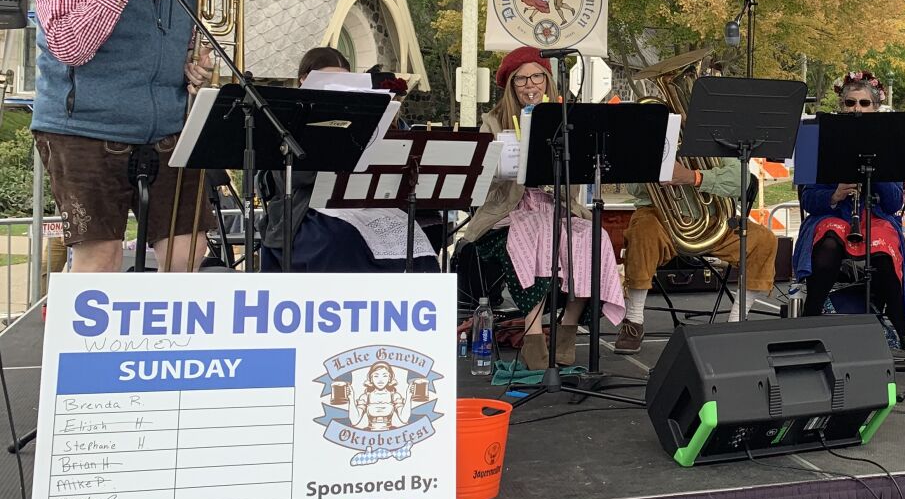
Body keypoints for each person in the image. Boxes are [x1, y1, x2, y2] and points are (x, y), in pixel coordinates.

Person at [31, 0, 215, 272]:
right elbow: (71, 46)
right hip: (85, 129)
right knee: (101, 257)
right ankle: (92, 341)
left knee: (188, 250)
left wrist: (192, 67)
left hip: (166, 128)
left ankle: (169, 339)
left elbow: (174, 46)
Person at [454, 46, 624, 371]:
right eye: (521, 79)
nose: (530, 84)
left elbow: (576, 186)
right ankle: (532, 334)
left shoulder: (564, 117)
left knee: (593, 236)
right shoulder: (492, 122)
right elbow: (482, 184)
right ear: (511, 86)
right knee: (538, 234)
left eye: (536, 77)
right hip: (509, 209)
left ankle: (568, 327)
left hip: (556, 206)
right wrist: (503, 166)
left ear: (547, 80)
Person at [613, 78, 780, 354]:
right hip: (661, 219)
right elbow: (632, 187)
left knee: (764, 241)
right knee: (642, 231)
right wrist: (651, 161)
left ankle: (736, 321)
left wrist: (692, 176)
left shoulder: (717, 135)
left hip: (712, 222)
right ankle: (634, 319)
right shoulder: (650, 132)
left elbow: (739, 181)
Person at [256, 47, 440, 273]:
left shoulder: (357, 118)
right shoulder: (284, 119)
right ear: (304, 80)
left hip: (357, 203)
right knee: (340, 239)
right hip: (305, 210)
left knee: (413, 237)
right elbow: (292, 177)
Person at [792, 71, 905, 348]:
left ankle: (904, 328)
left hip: (876, 218)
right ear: (842, 106)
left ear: (875, 107)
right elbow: (809, 200)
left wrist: (878, 171)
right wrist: (834, 194)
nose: (857, 109)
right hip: (833, 215)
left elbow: (894, 203)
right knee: (828, 244)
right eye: (850, 103)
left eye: (864, 104)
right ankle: (809, 321)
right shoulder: (822, 138)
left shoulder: (890, 140)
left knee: (884, 249)